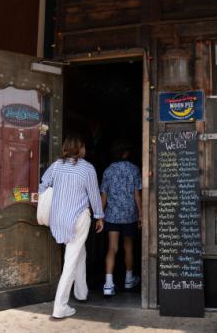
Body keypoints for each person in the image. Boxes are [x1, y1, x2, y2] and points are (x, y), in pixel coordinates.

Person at [39, 134, 104, 319]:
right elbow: (94, 195)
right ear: (79, 148)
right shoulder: (87, 168)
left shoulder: (57, 165)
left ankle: (81, 292)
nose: (85, 150)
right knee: (71, 259)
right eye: (83, 146)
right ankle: (60, 306)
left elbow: (43, 185)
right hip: (78, 218)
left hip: (59, 218)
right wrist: (99, 216)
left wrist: (55, 200)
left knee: (79, 252)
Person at [100, 139, 142, 296]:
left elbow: (103, 196)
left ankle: (108, 284)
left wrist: (100, 215)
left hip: (112, 216)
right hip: (129, 216)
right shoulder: (134, 169)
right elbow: (137, 195)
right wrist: (141, 214)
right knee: (128, 247)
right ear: (125, 153)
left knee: (112, 248)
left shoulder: (108, 170)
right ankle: (129, 279)